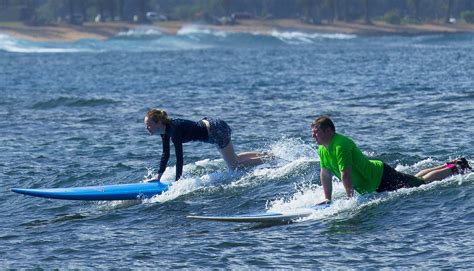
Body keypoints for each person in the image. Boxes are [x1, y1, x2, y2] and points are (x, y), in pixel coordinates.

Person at [311, 116, 471, 204]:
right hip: (374, 180)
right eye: (313, 132)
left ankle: (456, 167)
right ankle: (450, 164)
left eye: (316, 132)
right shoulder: (322, 148)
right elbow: (325, 173)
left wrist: (350, 200)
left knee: (421, 183)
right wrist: (327, 198)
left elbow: (345, 174)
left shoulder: (340, 145)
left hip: (380, 177)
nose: (313, 135)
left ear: (329, 130)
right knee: (416, 178)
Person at [144, 109, 269, 182]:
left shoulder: (174, 130)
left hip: (215, 130)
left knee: (234, 166)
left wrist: (177, 182)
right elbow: (165, 154)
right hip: (214, 126)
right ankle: (265, 155)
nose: (147, 128)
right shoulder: (165, 131)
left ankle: (269, 159)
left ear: (159, 122)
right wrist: (158, 177)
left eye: (148, 125)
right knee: (233, 159)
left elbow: (179, 158)